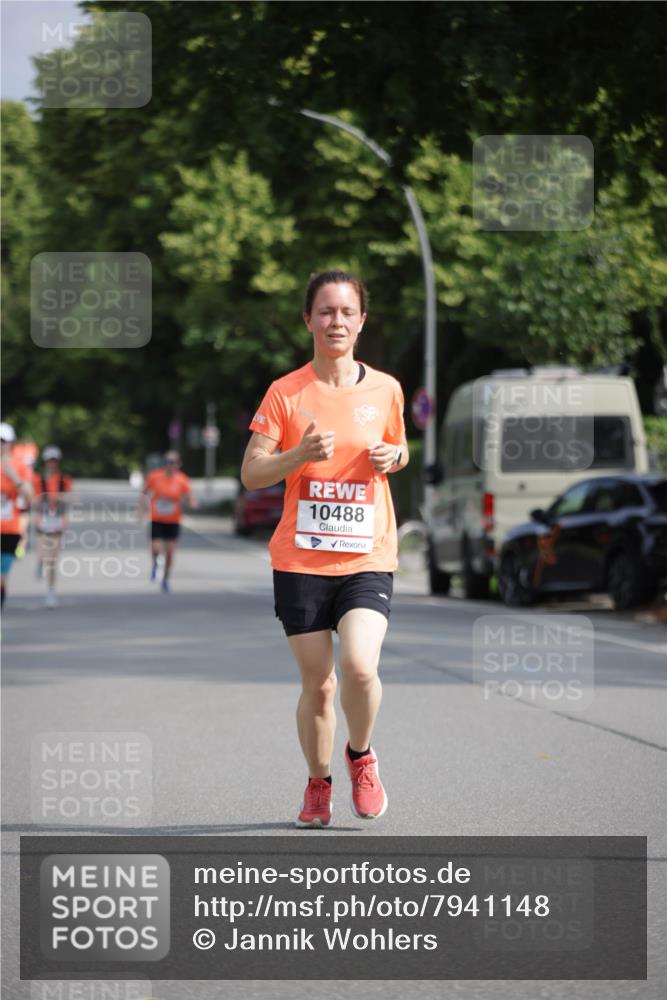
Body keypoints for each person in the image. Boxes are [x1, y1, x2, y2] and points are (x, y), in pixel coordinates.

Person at [241, 270, 409, 828]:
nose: (336, 321)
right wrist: (298, 455)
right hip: (301, 561)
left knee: (360, 668)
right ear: (307, 319)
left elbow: (399, 446)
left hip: (367, 555)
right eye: (325, 312)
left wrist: (393, 457)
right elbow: (251, 473)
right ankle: (318, 784)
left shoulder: (386, 388)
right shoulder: (285, 393)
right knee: (319, 686)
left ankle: (361, 756)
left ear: (362, 321)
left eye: (346, 312)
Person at [139, 451, 198, 592]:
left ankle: (165, 578)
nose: (170, 465)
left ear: (178, 464)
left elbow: (189, 496)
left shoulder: (182, 479)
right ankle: (155, 564)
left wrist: (192, 503)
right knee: (156, 548)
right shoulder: (154, 477)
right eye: (168, 462)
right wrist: (141, 510)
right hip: (157, 518)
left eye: (173, 462)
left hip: (173, 520)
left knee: (170, 553)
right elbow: (144, 493)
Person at [33, 445, 74, 608]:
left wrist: (61, 498)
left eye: (54, 461)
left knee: (53, 559)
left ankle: (50, 591)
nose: (52, 463)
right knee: (43, 553)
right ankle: (39, 563)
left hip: (57, 521)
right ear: (45, 462)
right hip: (42, 520)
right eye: (49, 460)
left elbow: (71, 499)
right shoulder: (38, 480)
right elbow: (33, 501)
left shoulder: (64, 480)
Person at [1, 422, 35, 608]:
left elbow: (31, 498)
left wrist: (14, 477)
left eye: (3, 441)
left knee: (1, 578)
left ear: (10, 444)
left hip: (8, 530)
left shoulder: (19, 467)